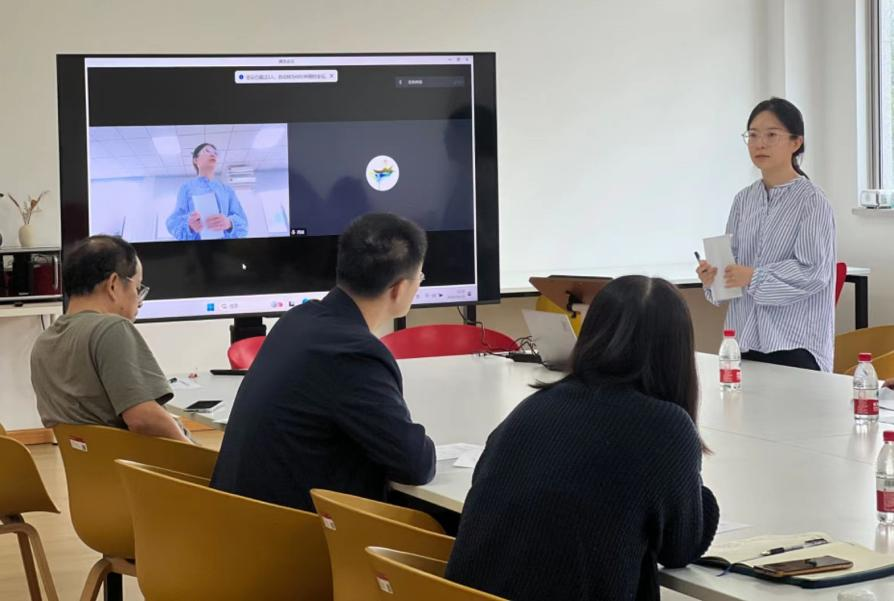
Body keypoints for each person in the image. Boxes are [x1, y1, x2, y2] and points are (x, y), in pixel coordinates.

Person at [445, 275, 719, 601]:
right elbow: (679, 548)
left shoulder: (534, 406)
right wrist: (697, 495)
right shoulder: (666, 427)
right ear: (677, 351)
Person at [211, 212, 436, 511]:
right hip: (288, 531)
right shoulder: (355, 353)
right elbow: (415, 463)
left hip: (234, 520)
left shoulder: (297, 320)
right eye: (419, 278)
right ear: (399, 288)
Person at [697, 97, 836, 371]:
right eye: (753, 135)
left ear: (796, 142)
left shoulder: (812, 200)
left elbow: (813, 271)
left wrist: (754, 276)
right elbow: (733, 267)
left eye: (771, 135)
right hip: (744, 339)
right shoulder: (743, 200)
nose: (760, 144)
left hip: (795, 343)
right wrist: (713, 277)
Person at [30, 235, 191, 443]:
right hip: (135, 461)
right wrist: (193, 452)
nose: (140, 302)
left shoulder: (44, 342)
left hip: (88, 462)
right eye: (137, 288)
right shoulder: (111, 329)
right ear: (113, 284)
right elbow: (143, 419)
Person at [166, 142, 248, 240]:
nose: (213, 154)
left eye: (215, 153)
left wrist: (229, 223)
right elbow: (173, 223)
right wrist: (190, 226)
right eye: (207, 151)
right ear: (195, 160)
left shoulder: (227, 190)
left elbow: (244, 224)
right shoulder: (186, 188)